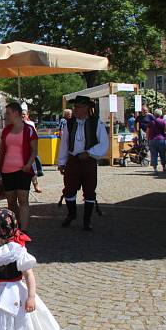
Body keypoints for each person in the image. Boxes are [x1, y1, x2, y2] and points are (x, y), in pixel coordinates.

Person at [57, 95, 109, 231]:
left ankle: (87, 220)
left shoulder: (96, 122)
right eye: (75, 107)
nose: (75, 109)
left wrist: (90, 152)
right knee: (69, 189)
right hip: (73, 159)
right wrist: (62, 162)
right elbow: (64, 143)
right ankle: (72, 214)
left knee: (90, 190)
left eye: (78, 107)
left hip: (89, 161)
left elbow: (104, 142)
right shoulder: (69, 123)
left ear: (86, 108)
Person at [0, 102, 38, 232]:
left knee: (23, 199)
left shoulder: (29, 129)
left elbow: (34, 151)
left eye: (8, 113)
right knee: (10, 200)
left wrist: (28, 164)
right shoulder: (6, 130)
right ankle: (16, 225)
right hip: (7, 169)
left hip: (23, 169)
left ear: (16, 113)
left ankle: (24, 230)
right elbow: (3, 150)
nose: (6, 116)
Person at [148, 109, 166, 173]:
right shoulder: (163, 121)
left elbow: (147, 131)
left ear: (154, 114)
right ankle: (164, 167)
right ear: (160, 114)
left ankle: (155, 169)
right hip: (161, 139)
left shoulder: (151, 122)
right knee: (163, 154)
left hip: (152, 139)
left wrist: (148, 139)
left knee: (154, 155)